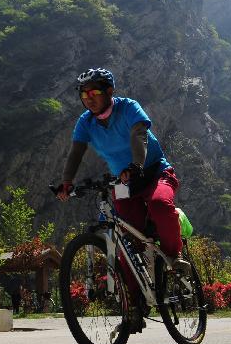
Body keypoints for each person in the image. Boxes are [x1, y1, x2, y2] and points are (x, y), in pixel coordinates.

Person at [57, 68, 189, 330]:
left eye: (94, 92)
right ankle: (133, 311)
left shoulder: (129, 108)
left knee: (160, 205)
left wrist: (137, 165)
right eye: (83, 94)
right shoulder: (85, 122)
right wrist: (67, 182)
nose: (88, 98)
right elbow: (76, 153)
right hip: (124, 182)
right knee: (124, 244)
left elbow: (138, 134)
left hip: (153, 173)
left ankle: (175, 259)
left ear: (109, 92)